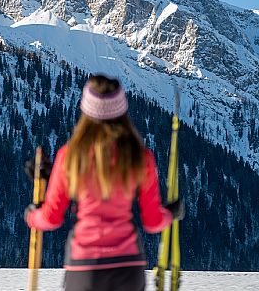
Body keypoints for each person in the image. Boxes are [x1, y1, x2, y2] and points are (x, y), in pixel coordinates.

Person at [25, 74, 184, 291]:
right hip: (128, 266)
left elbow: (51, 218)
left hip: (85, 266)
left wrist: (32, 215)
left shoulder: (70, 157)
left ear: (86, 110)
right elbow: (152, 221)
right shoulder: (140, 157)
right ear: (122, 112)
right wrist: (171, 214)